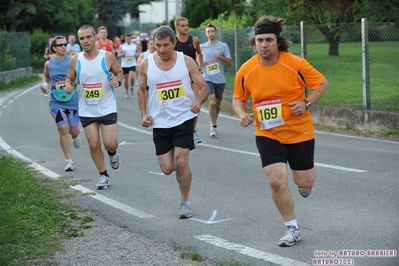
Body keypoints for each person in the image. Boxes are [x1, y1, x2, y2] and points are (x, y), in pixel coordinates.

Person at [232, 15, 329, 247]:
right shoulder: (246, 69)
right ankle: (292, 228)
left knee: (304, 181)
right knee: (276, 180)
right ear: (254, 43)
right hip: (268, 134)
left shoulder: (295, 64)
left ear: (278, 41)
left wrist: (306, 103)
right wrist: (242, 114)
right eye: (259, 40)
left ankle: (304, 183)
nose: (263, 45)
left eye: (268, 40)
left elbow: (322, 84)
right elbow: (238, 98)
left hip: (299, 132)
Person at [136, 26, 209, 219]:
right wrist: (144, 113)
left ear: (174, 43)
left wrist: (198, 102)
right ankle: (179, 171)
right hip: (160, 122)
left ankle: (184, 202)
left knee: (181, 161)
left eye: (166, 45)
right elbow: (141, 90)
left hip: (183, 118)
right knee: (168, 169)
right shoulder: (146, 64)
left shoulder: (186, 62)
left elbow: (204, 87)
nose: (162, 50)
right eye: (158, 46)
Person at [65, 24, 123, 190]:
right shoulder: (76, 59)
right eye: (81, 38)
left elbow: (119, 73)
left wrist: (117, 80)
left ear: (95, 37)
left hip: (107, 107)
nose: (85, 41)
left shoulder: (107, 57)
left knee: (110, 144)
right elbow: (69, 78)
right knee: (94, 144)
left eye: (88, 37)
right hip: (87, 110)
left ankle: (112, 153)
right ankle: (103, 175)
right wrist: (68, 85)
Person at [40, 35, 81, 171]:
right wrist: (44, 84)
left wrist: (72, 83)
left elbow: (80, 76)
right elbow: (46, 76)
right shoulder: (49, 63)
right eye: (61, 45)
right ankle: (69, 161)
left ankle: (75, 137)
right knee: (63, 129)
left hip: (72, 100)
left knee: (73, 131)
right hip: (55, 101)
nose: (64, 46)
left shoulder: (73, 61)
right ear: (54, 48)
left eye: (65, 44)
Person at [174, 17, 204, 144]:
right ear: (177, 27)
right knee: (178, 103)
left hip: (192, 76)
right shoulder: (173, 42)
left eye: (187, 25)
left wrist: (200, 66)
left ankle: (193, 130)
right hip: (178, 79)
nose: (186, 28)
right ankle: (177, 128)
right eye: (182, 26)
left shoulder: (194, 40)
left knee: (195, 102)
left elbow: (199, 54)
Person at [200, 23, 232, 138]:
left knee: (217, 104)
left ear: (216, 32)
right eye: (208, 31)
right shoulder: (201, 47)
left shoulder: (223, 46)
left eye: (212, 31)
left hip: (220, 79)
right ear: (205, 33)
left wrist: (220, 57)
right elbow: (196, 63)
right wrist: (201, 62)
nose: (210, 33)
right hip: (207, 78)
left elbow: (229, 62)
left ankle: (214, 121)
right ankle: (213, 126)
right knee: (212, 102)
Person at [117, 34, 139, 98]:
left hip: (132, 64)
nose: (128, 40)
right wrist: (122, 53)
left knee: (132, 77)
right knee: (126, 80)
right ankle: (127, 91)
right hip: (125, 64)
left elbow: (138, 53)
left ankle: (131, 87)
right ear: (125, 39)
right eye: (127, 39)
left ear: (131, 39)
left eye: (130, 39)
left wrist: (137, 54)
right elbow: (118, 55)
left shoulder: (134, 46)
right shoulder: (122, 46)